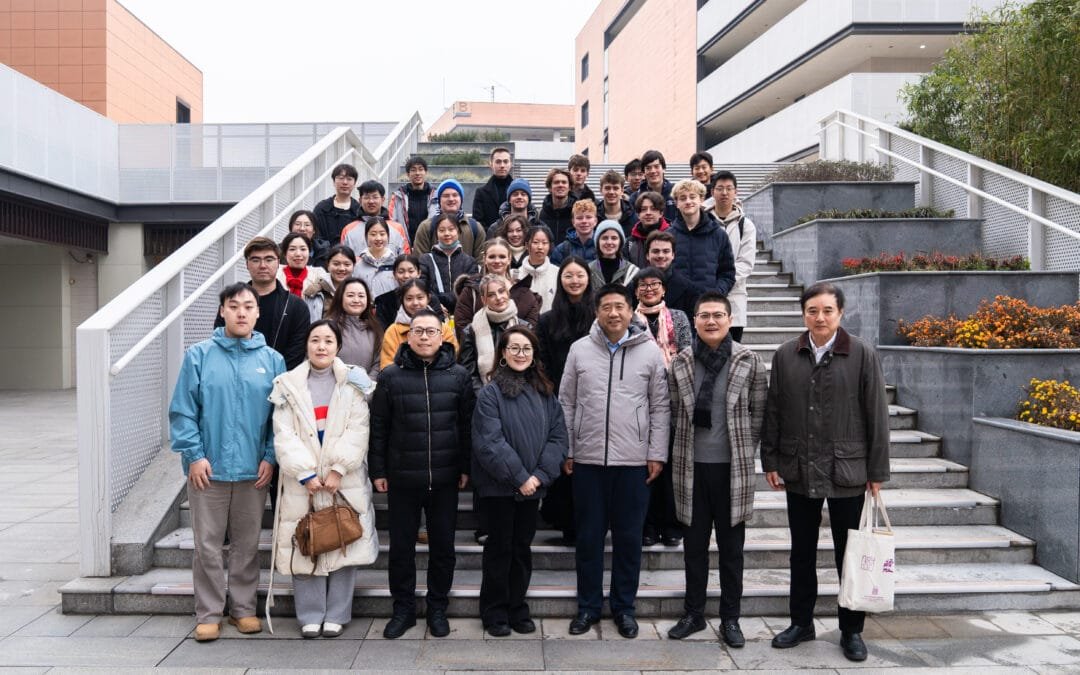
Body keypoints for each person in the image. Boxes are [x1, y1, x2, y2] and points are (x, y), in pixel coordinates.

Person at [762, 281, 891, 663]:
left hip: (847, 470)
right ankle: (801, 622)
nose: (819, 318)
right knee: (801, 552)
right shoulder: (786, 354)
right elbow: (774, 411)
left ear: (840, 314)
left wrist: (877, 469)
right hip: (799, 467)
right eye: (812, 311)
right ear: (803, 314)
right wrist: (771, 460)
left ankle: (851, 629)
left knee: (847, 554)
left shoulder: (862, 353)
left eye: (827, 311)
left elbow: (877, 415)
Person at [169, 282, 286, 642]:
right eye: (233, 306)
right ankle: (208, 612)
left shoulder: (272, 359)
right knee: (206, 543)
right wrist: (194, 455)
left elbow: (278, 418)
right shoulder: (199, 355)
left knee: (247, 543)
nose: (241, 312)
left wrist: (269, 456)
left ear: (257, 313)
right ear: (222, 311)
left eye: (248, 306)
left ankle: (244, 609)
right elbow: (183, 412)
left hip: (254, 471)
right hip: (209, 469)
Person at [560, 283, 670, 639]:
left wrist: (656, 452)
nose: (613, 313)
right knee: (589, 538)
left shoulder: (650, 352)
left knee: (628, 540)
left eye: (619, 306)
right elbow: (566, 403)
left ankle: (624, 608)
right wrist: (569, 449)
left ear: (630, 310)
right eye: (606, 307)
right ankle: (588, 607)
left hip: (633, 462)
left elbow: (659, 406)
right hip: (588, 461)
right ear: (597, 311)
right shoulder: (579, 350)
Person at [667, 292, 767, 646]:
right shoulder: (680, 362)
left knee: (731, 550)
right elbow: (675, 414)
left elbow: (759, 415)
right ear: (694, 321)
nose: (711, 321)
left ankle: (730, 619)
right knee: (694, 548)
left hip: (732, 471)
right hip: (690, 469)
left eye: (718, 315)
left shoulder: (749, 360)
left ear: (729, 319)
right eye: (704, 315)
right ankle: (693, 614)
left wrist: (743, 450)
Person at [267, 320, 378, 638]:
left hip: (344, 478)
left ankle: (338, 613)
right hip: (303, 481)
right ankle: (311, 614)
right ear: (307, 344)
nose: (321, 346)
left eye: (328, 340)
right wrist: (305, 472)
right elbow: (283, 432)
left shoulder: (353, 381)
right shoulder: (286, 384)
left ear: (338, 346)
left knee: (343, 541)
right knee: (306, 543)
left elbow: (359, 427)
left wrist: (338, 468)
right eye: (315, 339)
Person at [369, 309, 475, 639]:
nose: (425, 337)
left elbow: (468, 426)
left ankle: (437, 608)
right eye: (419, 331)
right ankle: (403, 609)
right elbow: (379, 427)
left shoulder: (458, 376)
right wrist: (379, 470)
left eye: (431, 331)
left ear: (442, 335)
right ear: (408, 336)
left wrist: (466, 468)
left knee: (443, 547)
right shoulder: (391, 376)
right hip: (403, 477)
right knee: (401, 548)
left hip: (445, 478)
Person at [471, 326, 567, 637]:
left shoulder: (545, 392)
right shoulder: (491, 393)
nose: (521, 354)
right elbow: (489, 442)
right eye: (514, 348)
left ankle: (517, 607)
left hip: (532, 486)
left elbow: (557, 437)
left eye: (526, 349)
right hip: (500, 488)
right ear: (502, 354)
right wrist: (520, 476)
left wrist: (539, 476)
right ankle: (495, 610)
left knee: (521, 550)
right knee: (499, 550)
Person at [535, 257, 594, 545]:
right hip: (558, 398)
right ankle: (563, 519)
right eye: (568, 276)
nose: (574, 281)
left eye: (579, 275)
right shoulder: (547, 319)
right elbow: (542, 359)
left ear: (588, 278)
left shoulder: (598, 315)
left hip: (594, 398)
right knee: (563, 459)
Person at [633, 267, 692, 549]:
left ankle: (671, 525)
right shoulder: (630, 319)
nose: (649, 289)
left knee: (669, 467)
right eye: (642, 285)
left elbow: (688, 353)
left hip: (675, 400)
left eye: (654, 284)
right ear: (636, 291)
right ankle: (647, 525)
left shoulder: (678, 317)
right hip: (640, 401)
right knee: (645, 468)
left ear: (664, 288)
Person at [216, 237, 310, 370]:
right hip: (234, 376)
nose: (263, 265)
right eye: (255, 260)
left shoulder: (296, 307)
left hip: (279, 382)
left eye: (269, 259)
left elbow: (296, 353)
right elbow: (221, 341)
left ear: (278, 263)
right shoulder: (231, 303)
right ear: (247, 264)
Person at [453, 238, 541, 341]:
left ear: (509, 259)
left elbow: (531, 332)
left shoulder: (526, 295)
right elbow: (462, 327)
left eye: (502, 257)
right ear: (485, 259)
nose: (497, 261)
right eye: (492, 257)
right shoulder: (470, 290)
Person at [669, 179, 736, 311]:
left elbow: (727, 273)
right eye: (683, 198)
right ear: (677, 203)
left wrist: (716, 294)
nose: (688, 201)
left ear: (701, 199)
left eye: (692, 197)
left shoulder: (718, 234)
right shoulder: (668, 236)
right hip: (676, 308)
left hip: (708, 306)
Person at [458, 274, 533, 391]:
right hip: (484, 396)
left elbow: (532, 367)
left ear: (508, 293)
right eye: (491, 295)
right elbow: (469, 372)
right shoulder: (471, 331)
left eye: (501, 291)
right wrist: (485, 397)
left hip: (519, 393)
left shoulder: (524, 327)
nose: (498, 297)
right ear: (483, 300)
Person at [710, 171, 756, 343]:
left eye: (729, 188)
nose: (724, 193)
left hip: (734, 295)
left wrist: (723, 283)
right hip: (707, 294)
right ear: (712, 191)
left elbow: (746, 263)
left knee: (733, 350)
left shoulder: (746, 225)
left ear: (736, 192)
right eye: (720, 188)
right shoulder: (704, 220)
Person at [379, 279, 457, 370]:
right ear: (402, 301)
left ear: (428, 298)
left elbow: (453, 363)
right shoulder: (393, 331)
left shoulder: (443, 329)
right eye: (409, 298)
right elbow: (387, 369)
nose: (415, 303)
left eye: (420, 298)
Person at [419, 212, 478, 314]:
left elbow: (470, 290)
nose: (447, 233)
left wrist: (447, 300)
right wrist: (436, 305)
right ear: (436, 234)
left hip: (462, 313)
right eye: (441, 230)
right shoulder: (425, 260)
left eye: (451, 229)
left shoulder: (470, 261)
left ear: (458, 232)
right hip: (434, 313)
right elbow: (422, 287)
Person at [325, 278, 383, 379]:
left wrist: (366, 388)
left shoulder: (375, 329)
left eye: (361, 296)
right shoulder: (328, 327)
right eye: (350, 295)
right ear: (340, 298)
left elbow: (378, 364)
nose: (356, 300)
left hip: (366, 391)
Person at [413, 179, 486, 258]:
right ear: (439, 200)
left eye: (455, 195)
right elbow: (420, 260)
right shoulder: (426, 227)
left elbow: (481, 261)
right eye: (446, 196)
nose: (451, 199)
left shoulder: (475, 228)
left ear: (461, 199)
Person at [340, 180, 411, 256]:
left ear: (383, 200)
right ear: (360, 200)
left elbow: (405, 258)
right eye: (366, 197)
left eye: (375, 197)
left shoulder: (397, 229)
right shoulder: (348, 230)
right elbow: (344, 259)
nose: (371, 201)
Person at [375, 254, 444, 328]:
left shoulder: (431, 299)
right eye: (401, 272)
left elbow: (440, 328)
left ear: (419, 273)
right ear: (394, 274)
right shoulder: (384, 301)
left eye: (411, 271)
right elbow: (381, 331)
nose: (406, 276)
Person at [643, 231, 700, 318]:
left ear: (673, 255)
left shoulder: (689, 289)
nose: (661, 255)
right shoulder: (634, 286)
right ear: (647, 255)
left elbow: (693, 322)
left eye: (666, 251)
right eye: (656, 251)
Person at [277, 232, 331, 322]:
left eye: (303, 249)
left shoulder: (318, 274)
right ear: (285, 253)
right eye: (292, 249)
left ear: (309, 252)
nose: (298, 254)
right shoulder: (276, 272)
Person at [387, 156, 436, 242]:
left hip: (429, 244)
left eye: (421, 169)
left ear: (425, 172)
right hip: (405, 245)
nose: (417, 173)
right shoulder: (398, 197)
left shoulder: (435, 196)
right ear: (408, 174)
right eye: (413, 170)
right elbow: (391, 222)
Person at [351, 218, 398, 299]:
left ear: (388, 236)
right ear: (366, 237)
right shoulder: (357, 265)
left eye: (382, 234)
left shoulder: (396, 264)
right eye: (373, 234)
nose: (378, 238)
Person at [313, 164, 360, 245]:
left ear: (354, 183)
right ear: (334, 182)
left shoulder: (359, 210)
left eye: (349, 179)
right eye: (341, 178)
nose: (345, 182)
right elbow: (316, 237)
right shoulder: (321, 208)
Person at [515, 225, 557, 312]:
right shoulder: (516, 274)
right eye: (535, 242)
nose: (540, 247)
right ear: (527, 245)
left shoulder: (557, 273)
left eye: (544, 243)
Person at [625, 191, 670, 269]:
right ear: (638, 214)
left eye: (653, 209)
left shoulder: (672, 237)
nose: (648, 213)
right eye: (644, 209)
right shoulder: (630, 243)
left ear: (661, 213)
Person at [472, 147, 514, 229]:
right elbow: (478, 223)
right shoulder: (481, 193)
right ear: (491, 164)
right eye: (498, 162)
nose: (502, 165)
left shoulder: (519, 192)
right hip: (490, 239)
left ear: (511, 164)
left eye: (505, 161)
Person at [589, 219, 638, 288]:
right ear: (597, 242)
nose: (609, 242)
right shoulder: (588, 270)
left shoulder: (632, 271)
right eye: (605, 238)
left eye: (614, 238)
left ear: (620, 242)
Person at [629, 150, 677, 222]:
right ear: (644, 172)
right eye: (648, 168)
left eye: (656, 166)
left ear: (664, 169)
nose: (653, 171)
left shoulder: (676, 193)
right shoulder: (635, 198)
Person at [550, 200, 598, 265]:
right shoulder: (561, 250)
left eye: (588, 217)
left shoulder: (602, 247)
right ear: (573, 222)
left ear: (595, 221)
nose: (584, 221)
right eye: (579, 218)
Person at [538, 168, 576, 244]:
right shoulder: (540, 215)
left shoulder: (577, 213)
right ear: (549, 187)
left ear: (570, 187)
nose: (560, 185)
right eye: (556, 182)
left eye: (564, 182)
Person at [597, 170, 636, 238]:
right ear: (601, 190)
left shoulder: (633, 216)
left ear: (622, 190)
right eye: (607, 188)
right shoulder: (594, 216)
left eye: (615, 188)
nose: (611, 192)